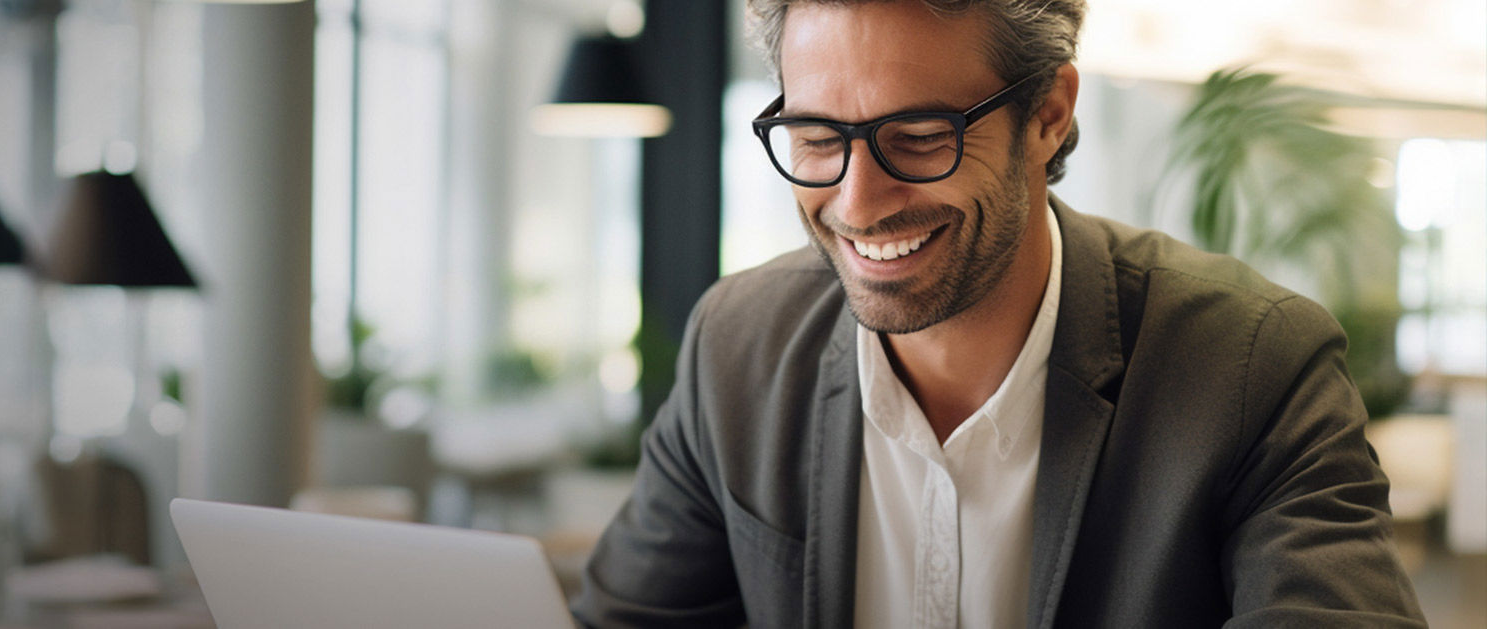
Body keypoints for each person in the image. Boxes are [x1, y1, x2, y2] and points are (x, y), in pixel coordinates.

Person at [571, 0, 1426, 626]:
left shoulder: (1255, 366)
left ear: (1048, 114)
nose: (858, 202)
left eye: (918, 135)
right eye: (818, 138)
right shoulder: (737, 347)